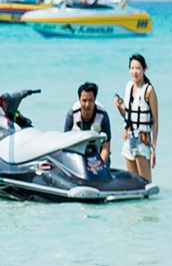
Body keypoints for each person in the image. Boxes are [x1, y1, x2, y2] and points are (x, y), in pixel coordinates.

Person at [113, 53, 159, 181]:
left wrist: (153, 148)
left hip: (142, 141)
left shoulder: (149, 91)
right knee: (132, 182)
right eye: (132, 68)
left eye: (138, 68)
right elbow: (127, 115)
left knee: (145, 182)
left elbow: (155, 122)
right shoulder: (128, 86)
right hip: (129, 139)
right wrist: (119, 107)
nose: (135, 72)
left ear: (144, 69)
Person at [64, 81, 112, 163]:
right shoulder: (72, 114)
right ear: (79, 100)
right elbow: (65, 142)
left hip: (98, 155)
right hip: (78, 155)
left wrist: (99, 164)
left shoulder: (103, 116)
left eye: (90, 100)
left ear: (95, 100)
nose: (87, 105)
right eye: (84, 100)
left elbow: (106, 148)